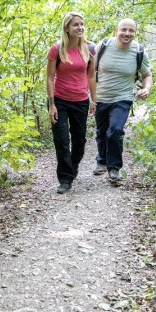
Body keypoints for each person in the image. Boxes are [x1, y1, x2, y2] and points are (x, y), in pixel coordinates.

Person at [93, 18, 153, 183]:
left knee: (116, 130)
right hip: (100, 97)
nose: (127, 33)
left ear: (135, 33)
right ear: (116, 30)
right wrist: (88, 95)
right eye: (123, 30)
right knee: (101, 132)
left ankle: (114, 168)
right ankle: (102, 160)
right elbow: (89, 70)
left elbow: (147, 75)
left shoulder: (139, 51)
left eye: (131, 31)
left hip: (123, 98)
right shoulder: (103, 46)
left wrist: (146, 88)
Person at [46, 11, 96, 194]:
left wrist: (94, 100)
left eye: (82, 24)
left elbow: (91, 76)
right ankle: (65, 179)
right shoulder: (57, 49)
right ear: (66, 28)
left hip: (81, 100)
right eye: (75, 24)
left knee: (80, 141)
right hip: (59, 100)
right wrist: (51, 104)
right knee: (62, 141)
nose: (80, 28)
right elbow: (50, 78)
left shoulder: (90, 49)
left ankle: (73, 167)